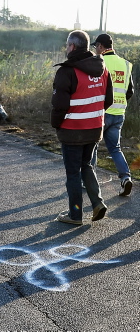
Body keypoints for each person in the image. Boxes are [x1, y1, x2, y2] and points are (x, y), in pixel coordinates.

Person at [51, 30, 113, 225]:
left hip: (72, 131)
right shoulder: (103, 69)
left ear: (72, 46)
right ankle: (98, 203)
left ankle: (75, 215)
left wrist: (56, 124)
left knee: (73, 173)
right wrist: (92, 114)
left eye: (67, 45)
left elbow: (59, 105)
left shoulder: (67, 71)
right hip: (94, 129)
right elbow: (108, 100)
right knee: (86, 166)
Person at [91, 33, 135, 196]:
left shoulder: (99, 62)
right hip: (119, 112)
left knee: (92, 146)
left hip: (101, 113)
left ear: (101, 47)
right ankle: (125, 178)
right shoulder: (126, 64)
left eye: (96, 46)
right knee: (115, 148)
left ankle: (88, 181)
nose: (95, 50)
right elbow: (129, 91)